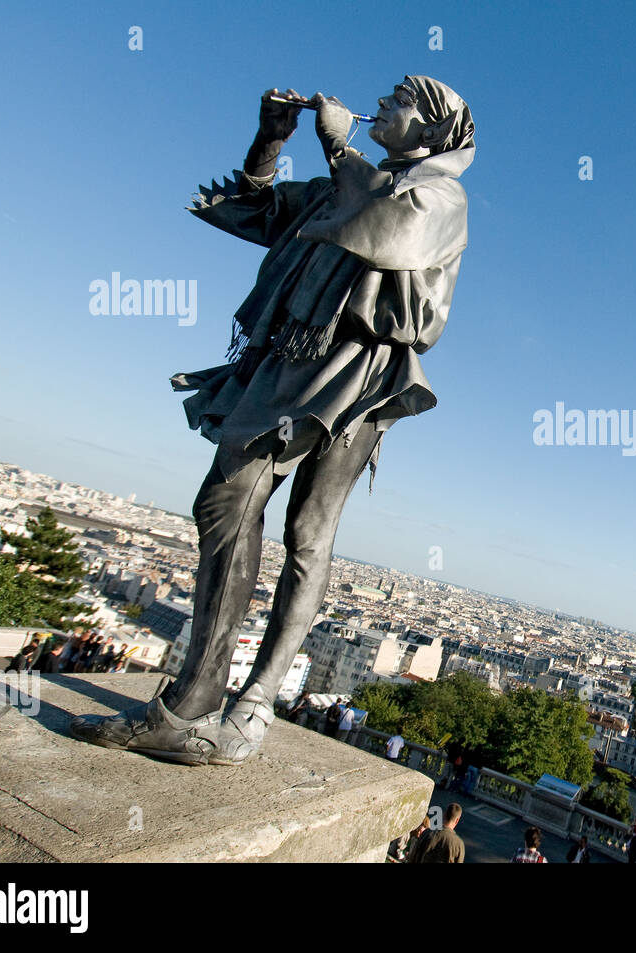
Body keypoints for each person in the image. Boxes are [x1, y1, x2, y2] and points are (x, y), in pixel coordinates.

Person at [71, 76, 477, 767]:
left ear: (434, 133)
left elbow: (392, 228)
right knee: (228, 498)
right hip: (292, 360)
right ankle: (196, 699)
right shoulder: (339, 189)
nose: (381, 103)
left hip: (359, 370)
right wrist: (272, 139)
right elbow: (254, 209)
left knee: (308, 532)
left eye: (401, 101)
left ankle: (254, 701)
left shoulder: (440, 198)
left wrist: (337, 146)